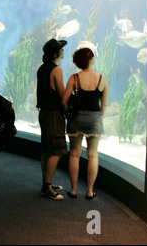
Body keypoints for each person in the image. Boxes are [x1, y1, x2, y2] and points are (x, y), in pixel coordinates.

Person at [62, 47, 109, 200]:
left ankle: (74, 189)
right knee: (93, 155)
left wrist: (68, 113)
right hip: (95, 118)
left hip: (76, 118)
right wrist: (97, 116)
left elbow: (64, 101)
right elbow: (103, 106)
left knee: (74, 154)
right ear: (91, 60)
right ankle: (89, 191)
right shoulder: (102, 79)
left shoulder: (74, 78)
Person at [36, 38, 68, 201]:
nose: (63, 51)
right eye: (61, 49)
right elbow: (62, 94)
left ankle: (46, 182)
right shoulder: (57, 70)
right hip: (54, 115)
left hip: (43, 113)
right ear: (56, 53)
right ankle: (46, 186)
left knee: (46, 149)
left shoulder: (42, 69)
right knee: (56, 151)